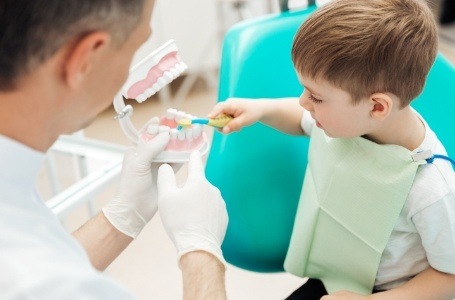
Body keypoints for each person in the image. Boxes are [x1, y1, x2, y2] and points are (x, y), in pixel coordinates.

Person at [209, 0, 455, 299]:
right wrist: (262, 109)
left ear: (377, 106)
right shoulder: (351, 121)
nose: (303, 103)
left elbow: (449, 276)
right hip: (338, 275)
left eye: (316, 97)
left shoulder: (431, 188)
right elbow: (301, 119)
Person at [0, 0, 228, 299]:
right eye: (135, 47)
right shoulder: (43, 284)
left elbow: (44, 255)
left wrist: (122, 216)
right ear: (85, 58)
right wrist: (201, 252)